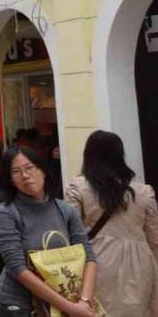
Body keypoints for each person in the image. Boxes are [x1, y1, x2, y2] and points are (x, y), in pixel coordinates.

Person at [0, 145, 98, 317]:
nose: (25, 176)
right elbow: (17, 268)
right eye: (16, 171)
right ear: (10, 179)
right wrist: (70, 308)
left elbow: (89, 258)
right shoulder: (6, 212)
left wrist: (84, 301)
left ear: (43, 171)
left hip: (66, 302)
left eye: (29, 168)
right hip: (19, 306)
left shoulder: (65, 210)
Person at [65, 130, 158, 316]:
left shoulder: (77, 188)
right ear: (119, 155)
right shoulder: (144, 192)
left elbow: (71, 233)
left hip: (95, 262)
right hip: (140, 263)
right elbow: (155, 238)